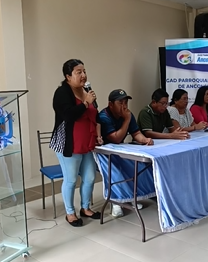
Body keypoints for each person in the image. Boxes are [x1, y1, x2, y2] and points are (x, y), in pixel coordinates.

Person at [50, 59, 103, 227]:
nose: (83, 75)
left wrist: (98, 135)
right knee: (71, 179)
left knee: (90, 177)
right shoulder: (62, 92)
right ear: (68, 76)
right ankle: (70, 213)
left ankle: (85, 208)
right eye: (78, 72)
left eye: (84, 71)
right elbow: (69, 115)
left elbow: (95, 115)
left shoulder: (86, 91)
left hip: (86, 143)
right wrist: (86, 102)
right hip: (69, 144)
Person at [99, 89, 154, 217]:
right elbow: (116, 138)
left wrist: (144, 140)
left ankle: (131, 197)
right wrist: (127, 120)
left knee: (137, 165)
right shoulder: (104, 117)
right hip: (103, 154)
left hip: (120, 152)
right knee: (116, 170)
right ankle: (116, 201)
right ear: (110, 104)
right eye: (120, 103)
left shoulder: (127, 115)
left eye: (126, 103)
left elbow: (136, 133)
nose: (124, 106)